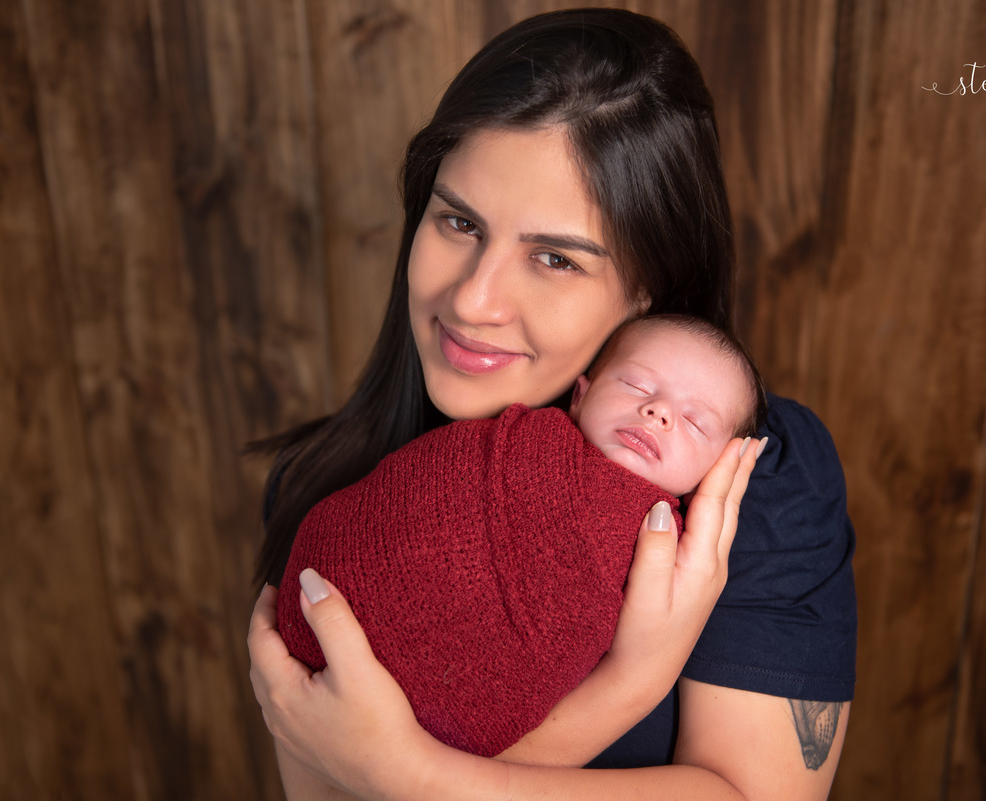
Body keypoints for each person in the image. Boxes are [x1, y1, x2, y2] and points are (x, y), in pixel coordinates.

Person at [247, 8, 856, 801]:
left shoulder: (745, 484)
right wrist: (631, 680)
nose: (473, 299)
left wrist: (405, 773)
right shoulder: (326, 485)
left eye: (555, 258)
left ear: (649, 289)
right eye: (459, 221)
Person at [276, 315, 767, 758]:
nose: (658, 411)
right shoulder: (524, 438)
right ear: (580, 395)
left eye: (695, 422)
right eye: (636, 385)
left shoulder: (682, 555)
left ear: (718, 472)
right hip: (322, 600)